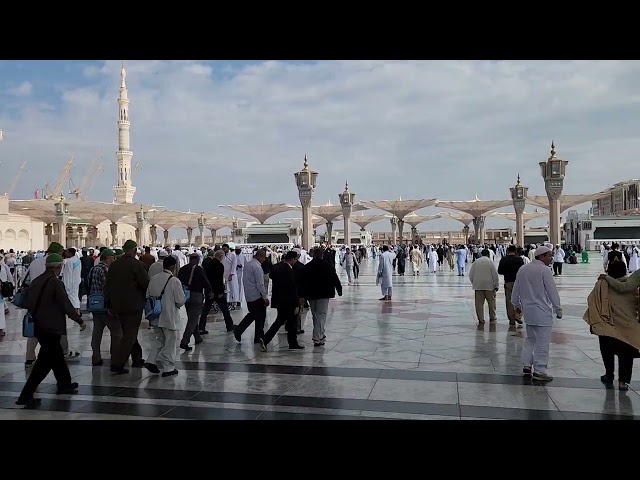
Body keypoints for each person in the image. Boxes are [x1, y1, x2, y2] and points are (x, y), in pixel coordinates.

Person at [16, 254, 86, 408]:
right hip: (52, 327)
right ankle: (25, 396)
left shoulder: (36, 281)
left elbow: (29, 303)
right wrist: (79, 319)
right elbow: (65, 305)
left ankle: (64, 384)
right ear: (59, 267)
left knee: (56, 358)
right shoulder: (55, 283)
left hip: (40, 326)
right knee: (43, 364)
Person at [511, 245, 562, 382]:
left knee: (531, 339)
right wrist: (558, 308)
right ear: (541, 256)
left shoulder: (523, 269)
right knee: (542, 343)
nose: (551, 258)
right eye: (549, 255)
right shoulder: (544, 270)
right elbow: (552, 291)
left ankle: (527, 364)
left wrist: (516, 304)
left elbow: (516, 289)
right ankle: (540, 370)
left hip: (529, 312)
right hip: (542, 311)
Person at [587, 261, 640, 390]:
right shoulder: (633, 286)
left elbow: (592, 301)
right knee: (626, 354)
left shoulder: (602, 284)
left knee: (607, 351)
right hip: (628, 326)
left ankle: (609, 374)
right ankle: (623, 382)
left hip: (607, 325)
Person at [104, 239, 150, 374]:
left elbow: (107, 286)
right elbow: (145, 283)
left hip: (118, 305)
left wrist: (109, 304)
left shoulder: (114, 265)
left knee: (129, 332)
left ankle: (137, 358)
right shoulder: (137, 265)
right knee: (130, 334)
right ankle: (117, 363)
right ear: (135, 251)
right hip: (133, 306)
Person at [144, 255, 185, 377]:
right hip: (169, 317)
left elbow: (147, 295)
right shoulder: (174, 280)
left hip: (156, 315)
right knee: (170, 342)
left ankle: (151, 360)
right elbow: (180, 300)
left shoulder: (154, 278)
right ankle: (168, 368)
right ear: (173, 266)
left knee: (160, 339)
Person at [260, 251, 304, 351]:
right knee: (291, 321)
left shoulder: (276, 268)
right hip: (288, 301)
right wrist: (297, 300)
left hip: (279, 300)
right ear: (292, 259)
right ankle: (292, 343)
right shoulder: (289, 270)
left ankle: (266, 339)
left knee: (280, 320)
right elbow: (292, 287)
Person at [298, 248, 342, 347]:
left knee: (316, 315)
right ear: (322, 255)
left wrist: (301, 295)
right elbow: (334, 278)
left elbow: (302, 282)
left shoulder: (307, 267)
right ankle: (317, 336)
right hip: (324, 294)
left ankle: (321, 335)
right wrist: (339, 289)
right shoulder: (327, 266)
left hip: (311, 295)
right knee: (321, 315)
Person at [87, 248, 120, 366]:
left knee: (97, 332)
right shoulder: (106, 270)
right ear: (107, 258)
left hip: (95, 306)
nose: (114, 260)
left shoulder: (93, 269)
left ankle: (95, 356)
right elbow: (108, 288)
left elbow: (88, 284)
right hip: (105, 307)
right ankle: (115, 357)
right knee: (116, 332)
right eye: (113, 258)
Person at [234, 249, 269, 344]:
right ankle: (240, 330)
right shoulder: (257, 267)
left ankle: (257, 336)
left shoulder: (249, 264)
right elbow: (260, 284)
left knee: (254, 315)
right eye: (264, 257)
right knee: (259, 316)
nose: (264, 260)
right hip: (257, 296)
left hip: (249, 294)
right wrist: (265, 297)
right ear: (260, 256)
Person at [178, 252, 211, 350]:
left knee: (192, 317)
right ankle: (185, 341)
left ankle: (197, 337)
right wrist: (210, 291)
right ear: (197, 259)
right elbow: (205, 282)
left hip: (186, 296)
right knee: (193, 319)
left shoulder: (182, 269)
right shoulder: (198, 269)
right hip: (196, 295)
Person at [469, 249, 500, 324]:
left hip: (478, 286)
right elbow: (495, 274)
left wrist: (474, 283)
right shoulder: (490, 262)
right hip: (489, 286)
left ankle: (481, 319)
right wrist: (496, 285)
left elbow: (471, 275)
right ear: (488, 254)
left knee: (479, 304)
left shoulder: (476, 262)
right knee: (491, 303)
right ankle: (492, 317)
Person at [497, 245, 525, 326]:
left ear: (508, 251)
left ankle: (511, 319)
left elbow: (500, 271)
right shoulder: (519, 259)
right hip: (518, 282)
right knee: (519, 300)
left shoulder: (504, 259)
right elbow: (523, 271)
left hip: (508, 282)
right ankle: (518, 315)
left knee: (509, 301)